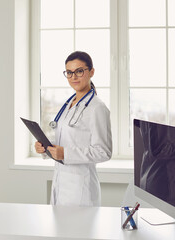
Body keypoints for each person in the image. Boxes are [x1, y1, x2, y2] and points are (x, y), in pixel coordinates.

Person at [35, 51, 112, 207]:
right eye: (69, 73)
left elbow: (104, 152)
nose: (73, 77)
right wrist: (45, 147)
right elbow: (66, 141)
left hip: (81, 192)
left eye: (79, 71)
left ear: (91, 72)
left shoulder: (97, 108)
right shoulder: (68, 104)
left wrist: (66, 153)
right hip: (60, 186)